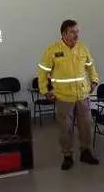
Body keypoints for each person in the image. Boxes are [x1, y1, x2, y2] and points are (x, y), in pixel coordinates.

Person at [37, 19, 100, 170]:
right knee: (66, 129)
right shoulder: (52, 50)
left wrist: (94, 81)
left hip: (83, 96)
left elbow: (91, 67)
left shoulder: (82, 48)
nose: (76, 35)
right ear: (64, 33)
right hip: (64, 97)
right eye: (73, 32)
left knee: (85, 126)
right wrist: (45, 90)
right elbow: (42, 72)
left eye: (77, 32)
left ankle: (85, 152)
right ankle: (67, 156)